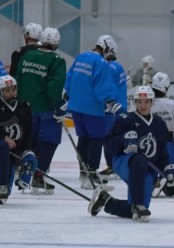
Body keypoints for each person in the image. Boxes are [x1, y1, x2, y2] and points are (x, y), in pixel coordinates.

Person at [89, 85, 174, 222]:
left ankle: (106, 201)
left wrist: (169, 170)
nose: (143, 105)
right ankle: (138, 204)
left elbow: (162, 153)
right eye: (140, 102)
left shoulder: (159, 123)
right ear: (135, 102)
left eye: (147, 102)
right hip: (124, 162)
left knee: (138, 212)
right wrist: (122, 140)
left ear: (152, 103)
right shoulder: (125, 119)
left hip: (147, 169)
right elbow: (109, 145)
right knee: (139, 159)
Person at [63, 34, 122, 189]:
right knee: (96, 139)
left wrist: (66, 93)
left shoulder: (81, 57)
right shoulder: (101, 63)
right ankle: (92, 174)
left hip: (76, 106)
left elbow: (69, 77)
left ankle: (83, 174)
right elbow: (102, 87)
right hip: (92, 108)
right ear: (106, 48)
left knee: (83, 139)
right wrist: (111, 100)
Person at [15, 27, 66, 195]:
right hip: (46, 109)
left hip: (26, 108)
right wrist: (58, 104)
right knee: (50, 141)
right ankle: (38, 174)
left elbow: (18, 79)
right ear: (56, 43)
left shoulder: (28, 55)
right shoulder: (56, 60)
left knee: (31, 141)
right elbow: (54, 86)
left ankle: (25, 170)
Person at [0, 75, 37, 204]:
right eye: (7, 90)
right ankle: (2, 184)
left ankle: (19, 179)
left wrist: (27, 151)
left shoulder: (24, 107)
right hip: (2, 150)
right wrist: (4, 138)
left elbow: (27, 133)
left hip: (14, 152)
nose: (11, 93)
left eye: (13, 89)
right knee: (2, 146)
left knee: (31, 159)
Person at [99, 43, 129, 179]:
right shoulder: (119, 66)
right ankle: (114, 166)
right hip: (118, 108)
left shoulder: (109, 67)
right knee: (110, 139)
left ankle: (115, 166)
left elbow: (105, 87)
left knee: (109, 139)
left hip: (112, 109)